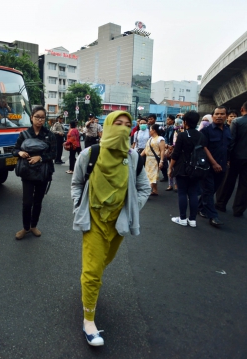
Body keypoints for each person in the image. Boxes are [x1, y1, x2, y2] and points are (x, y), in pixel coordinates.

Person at [71, 110, 150, 347]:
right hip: (94, 220)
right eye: (118, 124)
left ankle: (87, 280)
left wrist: (131, 208)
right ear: (106, 126)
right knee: (94, 271)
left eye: (128, 125)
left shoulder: (133, 157)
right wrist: (78, 207)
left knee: (104, 260)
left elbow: (144, 188)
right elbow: (76, 183)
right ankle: (89, 322)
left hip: (119, 224)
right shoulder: (90, 154)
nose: (124, 129)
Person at [215, 100, 247, 217]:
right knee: (245, 185)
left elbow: (231, 141)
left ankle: (221, 204)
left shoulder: (237, 122)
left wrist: (228, 157)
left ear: (242, 109)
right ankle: (239, 210)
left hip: (236, 157)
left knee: (228, 181)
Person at [13, 105, 56, 240]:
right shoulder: (24, 135)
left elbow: (54, 154)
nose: (40, 120)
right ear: (31, 118)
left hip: (43, 173)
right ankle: (25, 228)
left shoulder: (50, 135)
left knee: (38, 201)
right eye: (37, 117)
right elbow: (14, 150)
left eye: (42, 118)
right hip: (27, 172)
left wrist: (41, 157)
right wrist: (20, 152)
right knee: (27, 202)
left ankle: (33, 226)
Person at [168, 111, 206, 227]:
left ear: (185, 122)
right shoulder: (201, 136)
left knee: (182, 192)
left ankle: (183, 218)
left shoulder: (182, 135)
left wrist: (170, 167)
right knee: (193, 193)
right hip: (197, 168)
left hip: (182, 167)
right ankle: (193, 220)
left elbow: (176, 154)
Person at [197, 106, 231, 227]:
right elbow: (204, 147)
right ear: (212, 116)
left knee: (212, 190)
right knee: (209, 190)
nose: (219, 116)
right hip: (208, 166)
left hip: (222, 167)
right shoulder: (206, 131)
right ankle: (213, 216)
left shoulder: (228, 130)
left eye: (222, 114)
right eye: (216, 114)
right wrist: (214, 163)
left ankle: (199, 206)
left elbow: (228, 147)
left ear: (226, 116)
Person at [141, 124, 165, 195]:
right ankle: (155, 190)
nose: (149, 131)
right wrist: (139, 156)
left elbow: (162, 151)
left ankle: (147, 191)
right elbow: (146, 149)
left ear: (154, 130)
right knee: (148, 175)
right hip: (148, 160)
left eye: (150, 130)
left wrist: (161, 161)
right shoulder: (150, 139)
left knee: (152, 176)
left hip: (154, 160)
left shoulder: (160, 139)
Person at [163, 115, 176, 188]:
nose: (167, 121)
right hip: (170, 148)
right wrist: (168, 145)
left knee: (173, 167)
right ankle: (171, 184)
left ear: (173, 120)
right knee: (171, 167)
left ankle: (174, 184)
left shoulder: (176, 128)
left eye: (169, 120)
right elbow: (166, 137)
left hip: (174, 148)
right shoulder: (167, 128)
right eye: (167, 119)